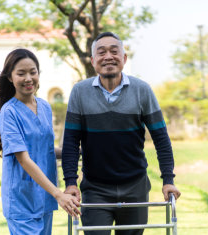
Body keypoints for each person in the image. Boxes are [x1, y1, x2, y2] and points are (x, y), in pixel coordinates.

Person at [61, 32, 181, 235]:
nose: (108, 56)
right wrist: (70, 182)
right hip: (95, 188)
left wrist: (168, 180)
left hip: (135, 187)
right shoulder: (80, 92)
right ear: (93, 61)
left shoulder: (142, 90)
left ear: (124, 59)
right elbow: (71, 141)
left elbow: (161, 138)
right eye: (101, 52)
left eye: (114, 51)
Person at [0, 48, 81, 235]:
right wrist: (58, 194)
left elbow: (45, 149)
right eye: (21, 73)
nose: (28, 78)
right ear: (11, 78)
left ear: (39, 74)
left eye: (33, 72)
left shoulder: (44, 106)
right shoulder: (9, 112)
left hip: (44, 199)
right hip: (22, 201)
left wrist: (80, 152)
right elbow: (24, 159)